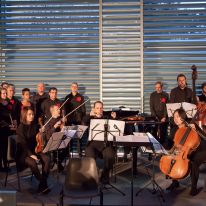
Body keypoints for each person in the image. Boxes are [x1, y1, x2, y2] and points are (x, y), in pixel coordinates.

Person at [165, 108, 206, 196]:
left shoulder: (191, 125)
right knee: (173, 159)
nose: (175, 119)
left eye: (178, 117)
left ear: (183, 117)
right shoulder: (174, 130)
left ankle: (194, 187)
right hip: (185, 150)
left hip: (200, 149)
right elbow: (171, 144)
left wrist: (196, 130)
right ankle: (175, 182)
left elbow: (204, 136)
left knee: (194, 162)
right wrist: (168, 151)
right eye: (174, 117)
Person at [16, 107, 50, 194]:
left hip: (35, 150)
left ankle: (42, 185)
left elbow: (40, 135)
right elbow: (22, 144)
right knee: (32, 162)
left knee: (47, 159)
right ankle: (43, 184)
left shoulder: (35, 125)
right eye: (29, 114)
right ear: (24, 115)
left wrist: (42, 131)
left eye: (32, 114)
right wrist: (31, 154)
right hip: (23, 153)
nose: (32, 116)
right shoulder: (20, 128)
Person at [82, 101, 116, 184]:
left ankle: (104, 175)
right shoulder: (90, 118)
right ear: (94, 109)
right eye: (97, 108)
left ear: (103, 109)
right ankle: (92, 177)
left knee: (111, 156)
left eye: (101, 108)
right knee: (90, 156)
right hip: (92, 144)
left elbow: (115, 128)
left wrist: (114, 118)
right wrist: (89, 115)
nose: (99, 110)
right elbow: (83, 121)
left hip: (105, 144)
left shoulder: (106, 118)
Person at [44, 105, 68, 172]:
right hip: (51, 142)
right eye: (57, 109)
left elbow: (64, 133)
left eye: (59, 109)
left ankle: (57, 161)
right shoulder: (47, 121)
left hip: (60, 140)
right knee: (55, 147)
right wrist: (54, 127)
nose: (59, 110)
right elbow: (48, 135)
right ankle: (57, 161)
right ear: (52, 112)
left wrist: (64, 125)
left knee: (67, 145)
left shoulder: (60, 119)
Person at [0, 88, 16, 171]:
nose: (5, 95)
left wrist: (14, 123)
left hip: (8, 129)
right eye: (3, 93)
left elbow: (13, 115)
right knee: (1, 148)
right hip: (1, 129)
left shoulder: (8, 103)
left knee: (6, 148)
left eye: (5, 93)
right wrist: (7, 125)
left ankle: (6, 165)